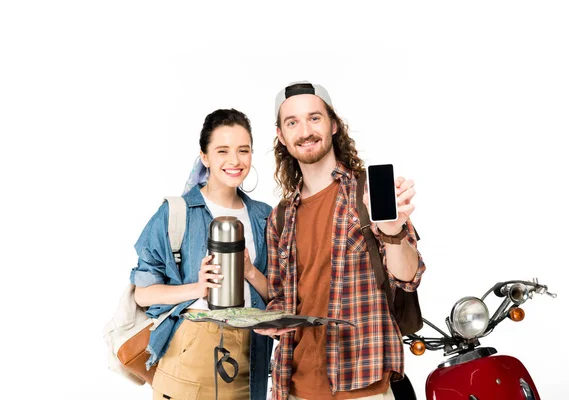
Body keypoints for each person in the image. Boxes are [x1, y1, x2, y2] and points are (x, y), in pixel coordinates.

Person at [255, 82, 426, 399]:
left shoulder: (368, 192)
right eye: (292, 122)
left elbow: (408, 277)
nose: (305, 130)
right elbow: (283, 297)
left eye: (314, 118)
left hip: (363, 387)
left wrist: (392, 232)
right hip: (292, 387)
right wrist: (271, 318)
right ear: (281, 135)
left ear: (333, 124)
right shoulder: (281, 216)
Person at [130, 109, 273, 399]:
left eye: (243, 150)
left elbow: (280, 296)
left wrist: (250, 272)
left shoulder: (264, 217)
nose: (235, 161)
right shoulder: (176, 213)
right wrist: (197, 288)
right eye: (222, 151)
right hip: (189, 352)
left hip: (249, 356)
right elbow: (142, 294)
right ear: (204, 157)